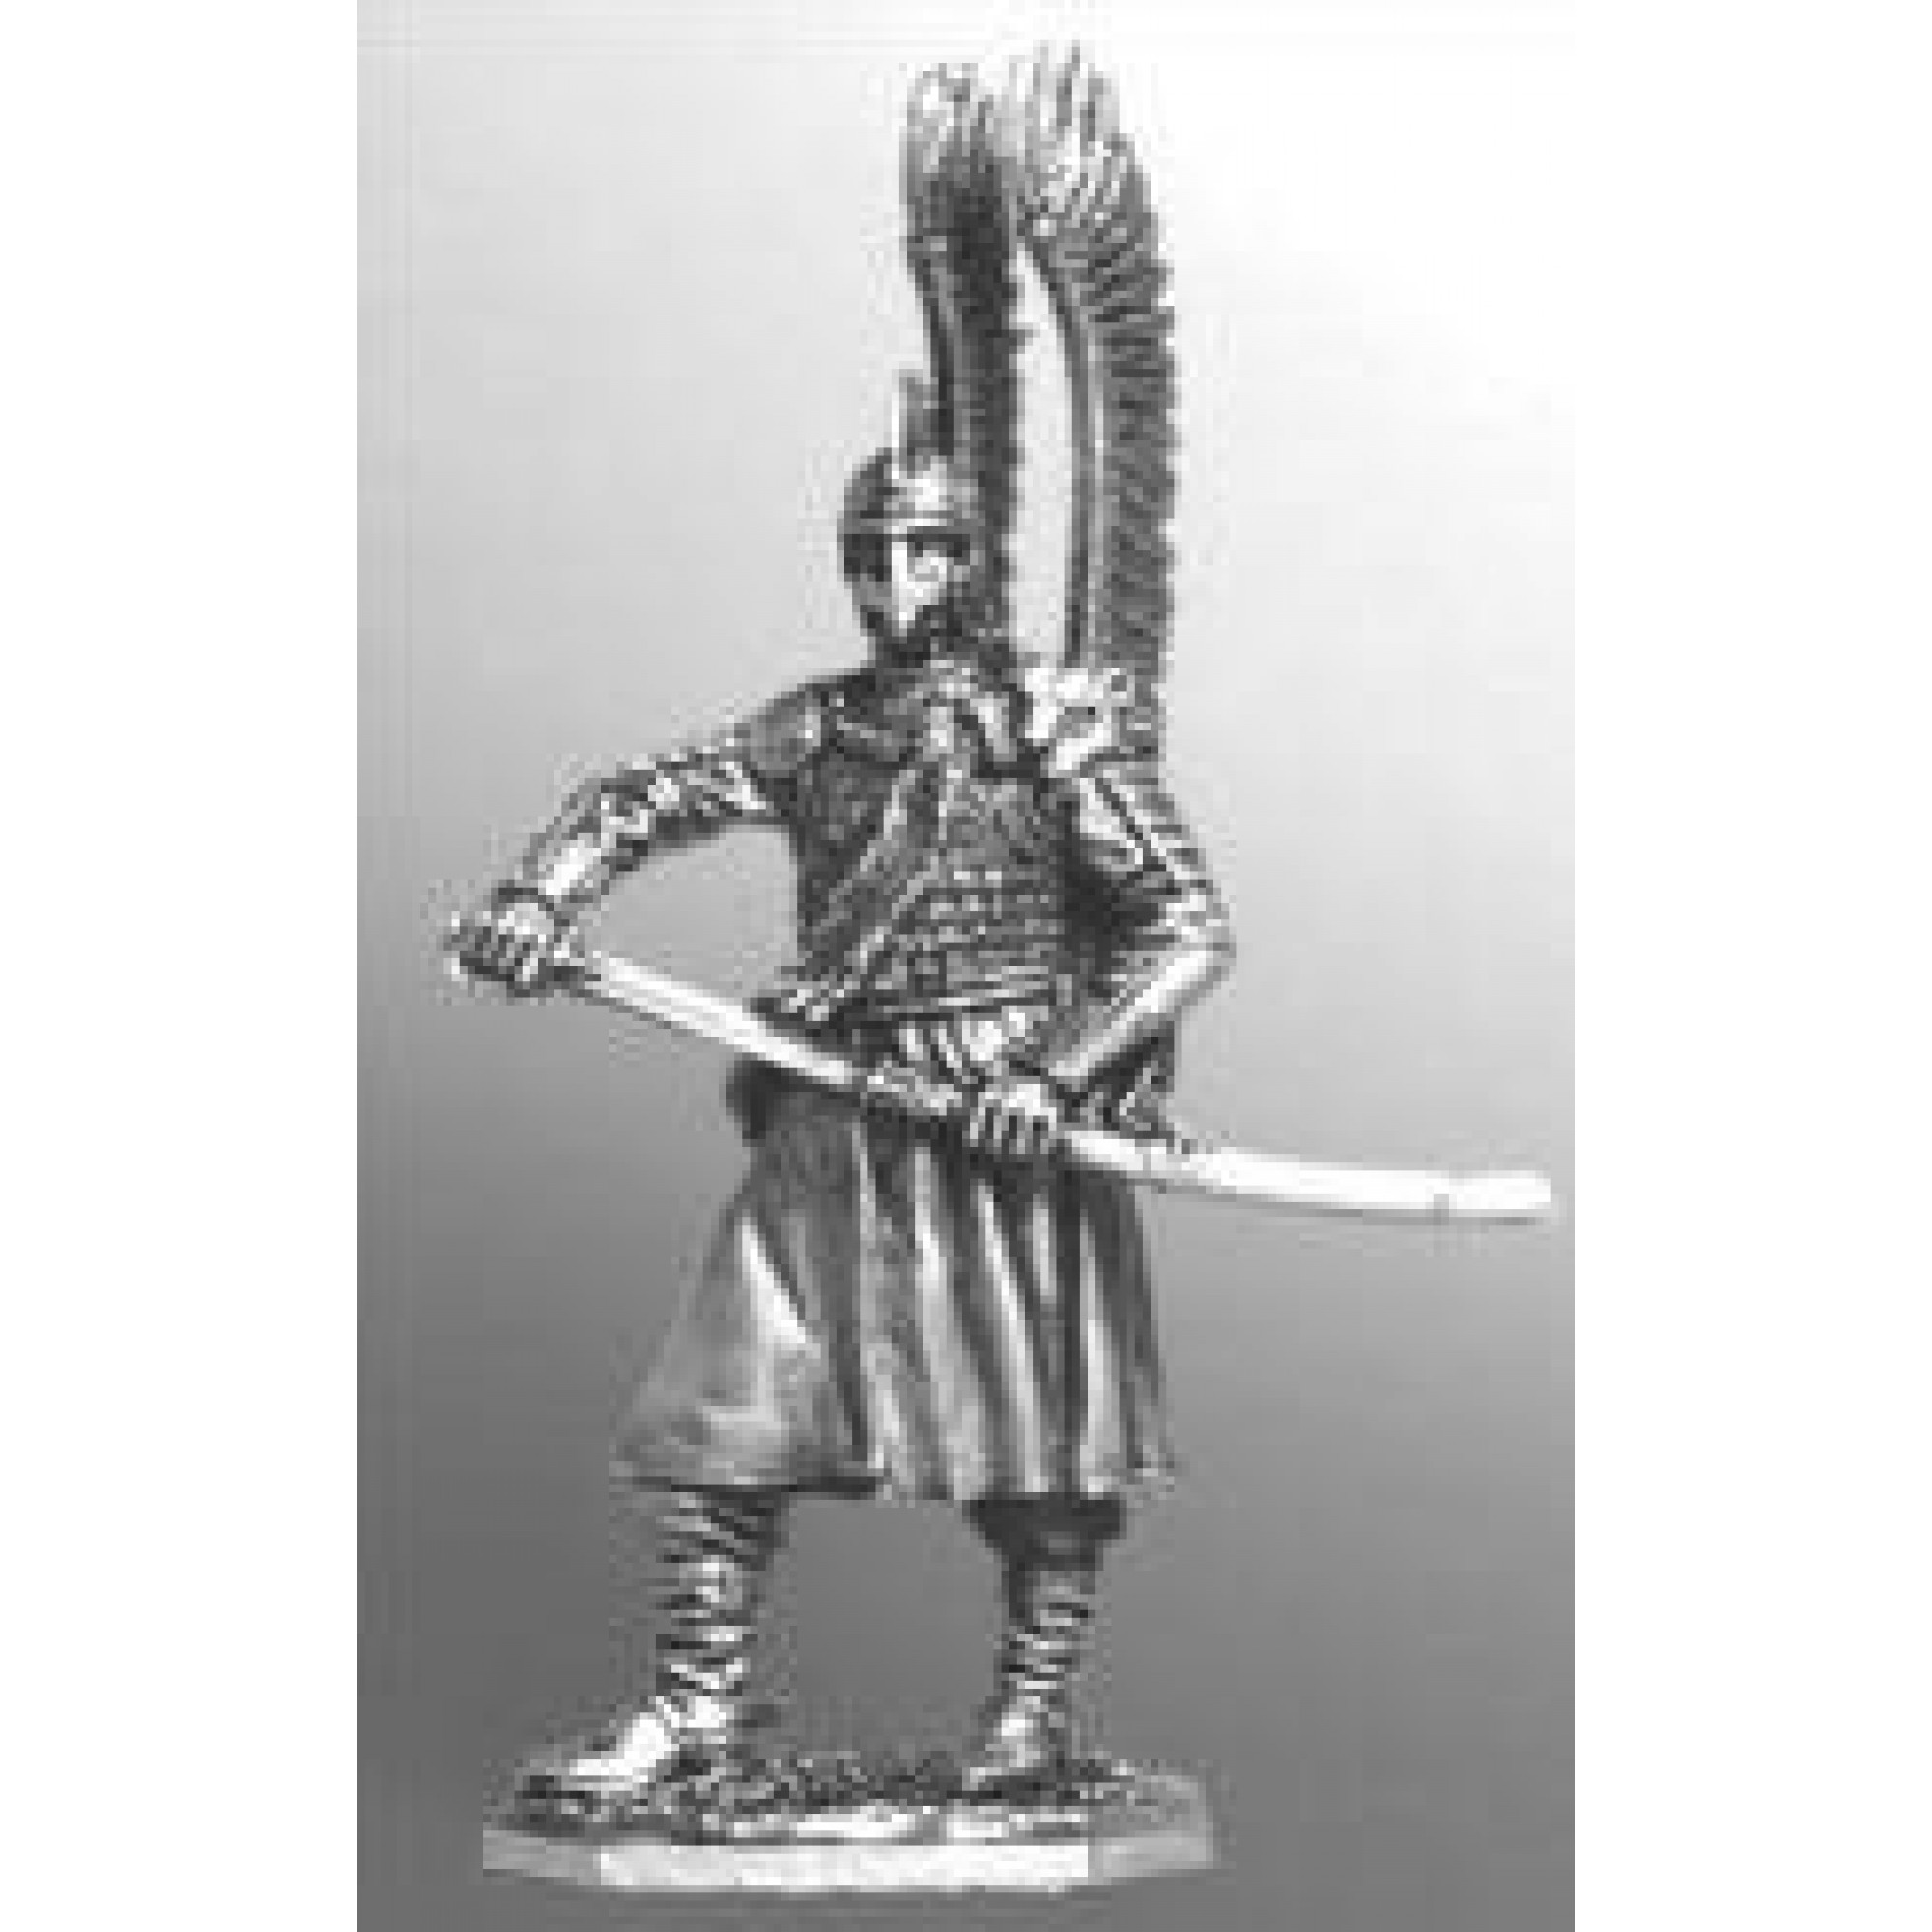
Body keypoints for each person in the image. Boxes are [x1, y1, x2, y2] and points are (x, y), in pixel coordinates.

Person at [448, 382, 1235, 1805]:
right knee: (720, 1409)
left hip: (1004, 1123)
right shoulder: (820, 729)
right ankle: (698, 1709)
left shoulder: (1045, 726)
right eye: (870, 557)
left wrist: (1055, 1072)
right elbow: (642, 797)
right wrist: (537, 897)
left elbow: (1184, 927)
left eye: (923, 553)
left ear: (970, 561)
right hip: (840, 1105)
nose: (893, 585)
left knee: (1039, 1447)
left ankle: (1031, 1713)